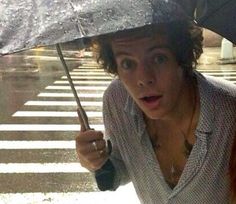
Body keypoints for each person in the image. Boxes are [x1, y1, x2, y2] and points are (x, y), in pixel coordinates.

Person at [76, 20, 236, 203]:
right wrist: (96, 161)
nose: (144, 78)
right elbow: (119, 170)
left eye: (158, 58)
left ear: (182, 58)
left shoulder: (229, 111)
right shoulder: (117, 100)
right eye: (128, 64)